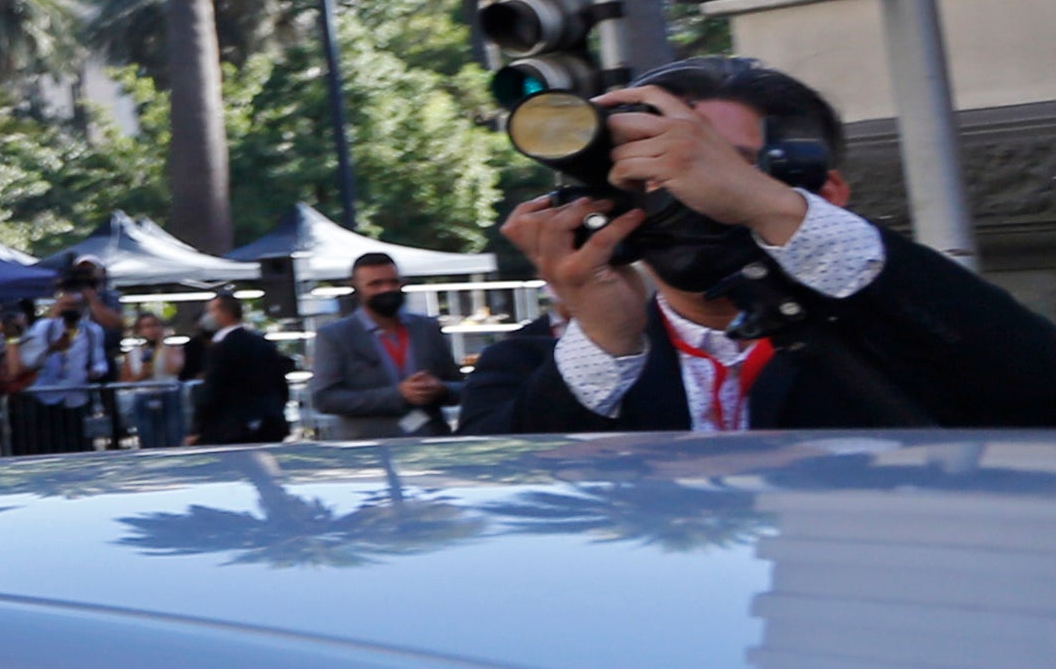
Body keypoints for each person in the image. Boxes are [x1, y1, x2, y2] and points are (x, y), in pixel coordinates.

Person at [477, 61, 1056, 432]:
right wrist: (605, 344)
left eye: (717, 163)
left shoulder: (911, 333)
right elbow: (499, 511)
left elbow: (1035, 387)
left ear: (826, 191)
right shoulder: (535, 363)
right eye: (642, 166)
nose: (673, 186)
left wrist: (775, 212)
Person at [302, 252, 464, 440]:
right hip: (369, 446)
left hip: (430, 441)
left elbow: (462, 388)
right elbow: (324, 399)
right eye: (375, 284)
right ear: (357, 288)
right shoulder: (335, 336)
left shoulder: (427, 328)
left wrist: (441, 389)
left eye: (393, 282)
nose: (387, 289)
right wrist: (397, 395)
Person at [17, 265, 118, 455]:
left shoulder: (92, 331)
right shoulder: (44, 327)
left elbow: (99, 361)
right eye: (67, 307)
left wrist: (96, 371)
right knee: (48, 446)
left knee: (78, 446)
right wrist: (53, 340)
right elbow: (31, 356)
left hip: (77, 396)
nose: (71, 311)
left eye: (75, 307)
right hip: (46, 396)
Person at [183, 290, 293, 444]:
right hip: (269, 424)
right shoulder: (262, 343)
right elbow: (280, 385)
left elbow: (212, 390)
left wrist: (197, 428)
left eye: (211, 311)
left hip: (231, 429)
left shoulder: (221, 347)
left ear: (224, 313)